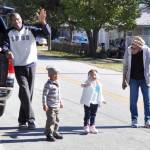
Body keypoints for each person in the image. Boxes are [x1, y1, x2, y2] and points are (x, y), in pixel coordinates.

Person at [2, 9, 51, 129]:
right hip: (18, 66)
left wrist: (43, 22)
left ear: (21, 20)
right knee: (24, 90)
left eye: (18, 19)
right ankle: (31, 119)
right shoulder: (9, 33)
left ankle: (22, 120)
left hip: (31, 64)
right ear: (11, 22)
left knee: (28, 93)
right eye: (14, 20)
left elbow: (47, 34)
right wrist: (7, 51)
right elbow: (4, 45)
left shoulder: (30, 30)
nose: (16, 21)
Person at [122, 36, 150, 128]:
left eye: (136, 43)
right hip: (133, 79)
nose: (134, 45)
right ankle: (134, 119)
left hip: (145, 79)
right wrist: (123, 80)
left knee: (147, 101)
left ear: (141, 44)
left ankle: (147, 120)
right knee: (133, 101)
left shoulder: (146, 51)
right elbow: (125, 65)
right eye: (133, 43)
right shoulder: (129, 51)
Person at [80, 69, 105, 134]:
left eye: (95, 75)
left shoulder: (98, 84)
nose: (93, 76)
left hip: (95, 102)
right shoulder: (88, 82)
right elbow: (82, 84)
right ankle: (86, 126)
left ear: (97, 75)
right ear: (89, 76)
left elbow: (99, 93)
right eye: (91, 75)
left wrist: (102, 100)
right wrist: (85, 85)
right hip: (88, 102)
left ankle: (92, 126)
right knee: (87, 114)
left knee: (93, 114)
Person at [42, 66, 63, 142]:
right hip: (50, 106)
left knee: (57, 120)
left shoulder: (57, 83)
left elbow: (59, 94)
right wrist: (44, 104)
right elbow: (44, 95)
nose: (57, 76)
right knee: (51, 120)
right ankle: (48, 134)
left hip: (56, 105)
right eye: (55, 75)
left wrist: (60, 102)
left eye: (57, 74)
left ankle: (55, 132)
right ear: (50, 75)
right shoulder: (48, 84)